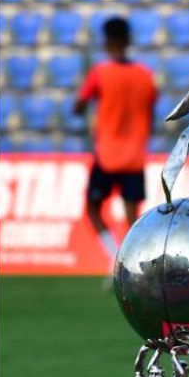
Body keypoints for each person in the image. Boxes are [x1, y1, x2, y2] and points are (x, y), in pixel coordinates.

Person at [73, 17, 157, 275]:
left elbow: (78, 106)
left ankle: (115, 258)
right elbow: (151, 110)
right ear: (128, 40)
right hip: (134, 157)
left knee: (92, 209)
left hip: (107, 155)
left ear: (107, 41)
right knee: (133, 219)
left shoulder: (100, 73)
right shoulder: (146, 75)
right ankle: (135, 269)